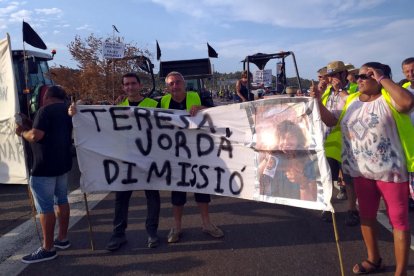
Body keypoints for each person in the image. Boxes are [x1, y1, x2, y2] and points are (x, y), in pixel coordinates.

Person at [314, 62, 414, 275]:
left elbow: (407, 104)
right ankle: (374, 258)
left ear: (379, 77)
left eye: (364, 76)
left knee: (399, 222)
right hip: (360, 172)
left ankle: (401, 271)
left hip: (391, 173)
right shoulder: (351, 100)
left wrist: (381, 79)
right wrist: (316, 100)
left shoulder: (390, 97)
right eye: (357, 76)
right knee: (367, 216)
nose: (358, 79)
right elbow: (331, 120)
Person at [68, 73, 161, 251]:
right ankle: (118, 234)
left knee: (152, 197)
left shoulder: (155, 105)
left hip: (149, 160)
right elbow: (94, 117)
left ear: (140, 85)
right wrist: (75, 110)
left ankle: (152, 232)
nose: (130, 87)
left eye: (133, 83)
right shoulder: (118, 107)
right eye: (126, 84)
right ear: (123, 87)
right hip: (125, 161)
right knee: (121, 198)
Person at [160, 71, 224, 243]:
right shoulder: (162, 102)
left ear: (184, 83)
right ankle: (177, 227)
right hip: (176, 157)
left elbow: (219, 113)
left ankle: (207, 224)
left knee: (202, 191)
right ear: (167, 87)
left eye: (178, 82)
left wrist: (203, 109)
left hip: (199, 154)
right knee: (177, 194)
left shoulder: (198, 95)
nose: (175, 86)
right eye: (171, 83)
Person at [16, 85, 73, 263]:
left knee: (45, 208)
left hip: (44, 167)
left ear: (47, 96)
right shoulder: (68, 110)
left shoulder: (44, 111)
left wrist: (23, 132)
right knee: (62, 200)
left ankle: (48, 248)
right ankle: (63, 239)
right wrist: (30, 124)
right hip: (62, 164)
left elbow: (36, 136)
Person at [316, 61, 359, 226]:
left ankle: (352, 210)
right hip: (328, 142)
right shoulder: (327, 92)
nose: (331, 79)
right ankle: (327, 206)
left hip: (348, 142)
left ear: (343, 74)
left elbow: (353, 104)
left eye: (334, 75)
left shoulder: (353, 89)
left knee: (349, 179)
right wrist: (319, 92)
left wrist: (340, 90)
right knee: (327, 177)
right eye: (329, 76)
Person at [401, 57, 414, 209]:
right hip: (408, 138)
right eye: (407, 71)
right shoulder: (404, 90)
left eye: (413, 70)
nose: (411, 73)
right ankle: (410, 197)